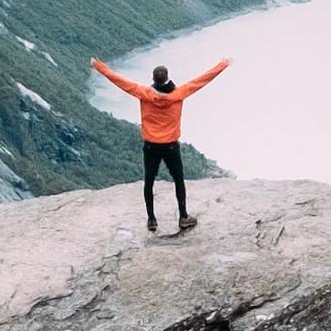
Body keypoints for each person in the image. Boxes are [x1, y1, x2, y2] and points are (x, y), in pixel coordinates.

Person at [91, 56, 228, 234]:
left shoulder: (144, 93)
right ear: (167, 78)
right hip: (171, 146)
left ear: (154, 79)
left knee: (149, 182)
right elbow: (202, 80)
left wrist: (98, 65)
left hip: (151, 146)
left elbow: (119, 80)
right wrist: (222, 65)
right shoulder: (179, 93)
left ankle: (152, 219)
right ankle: (183, 217)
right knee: (178, 180)